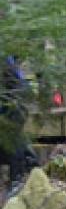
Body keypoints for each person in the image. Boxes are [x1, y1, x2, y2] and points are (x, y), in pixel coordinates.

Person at [1, 55, 32, 197]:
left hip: (16, 104)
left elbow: (17, 88)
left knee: (13, 139)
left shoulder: (5, 62)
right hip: (12, 103)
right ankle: (29, 163)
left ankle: (16, 180)